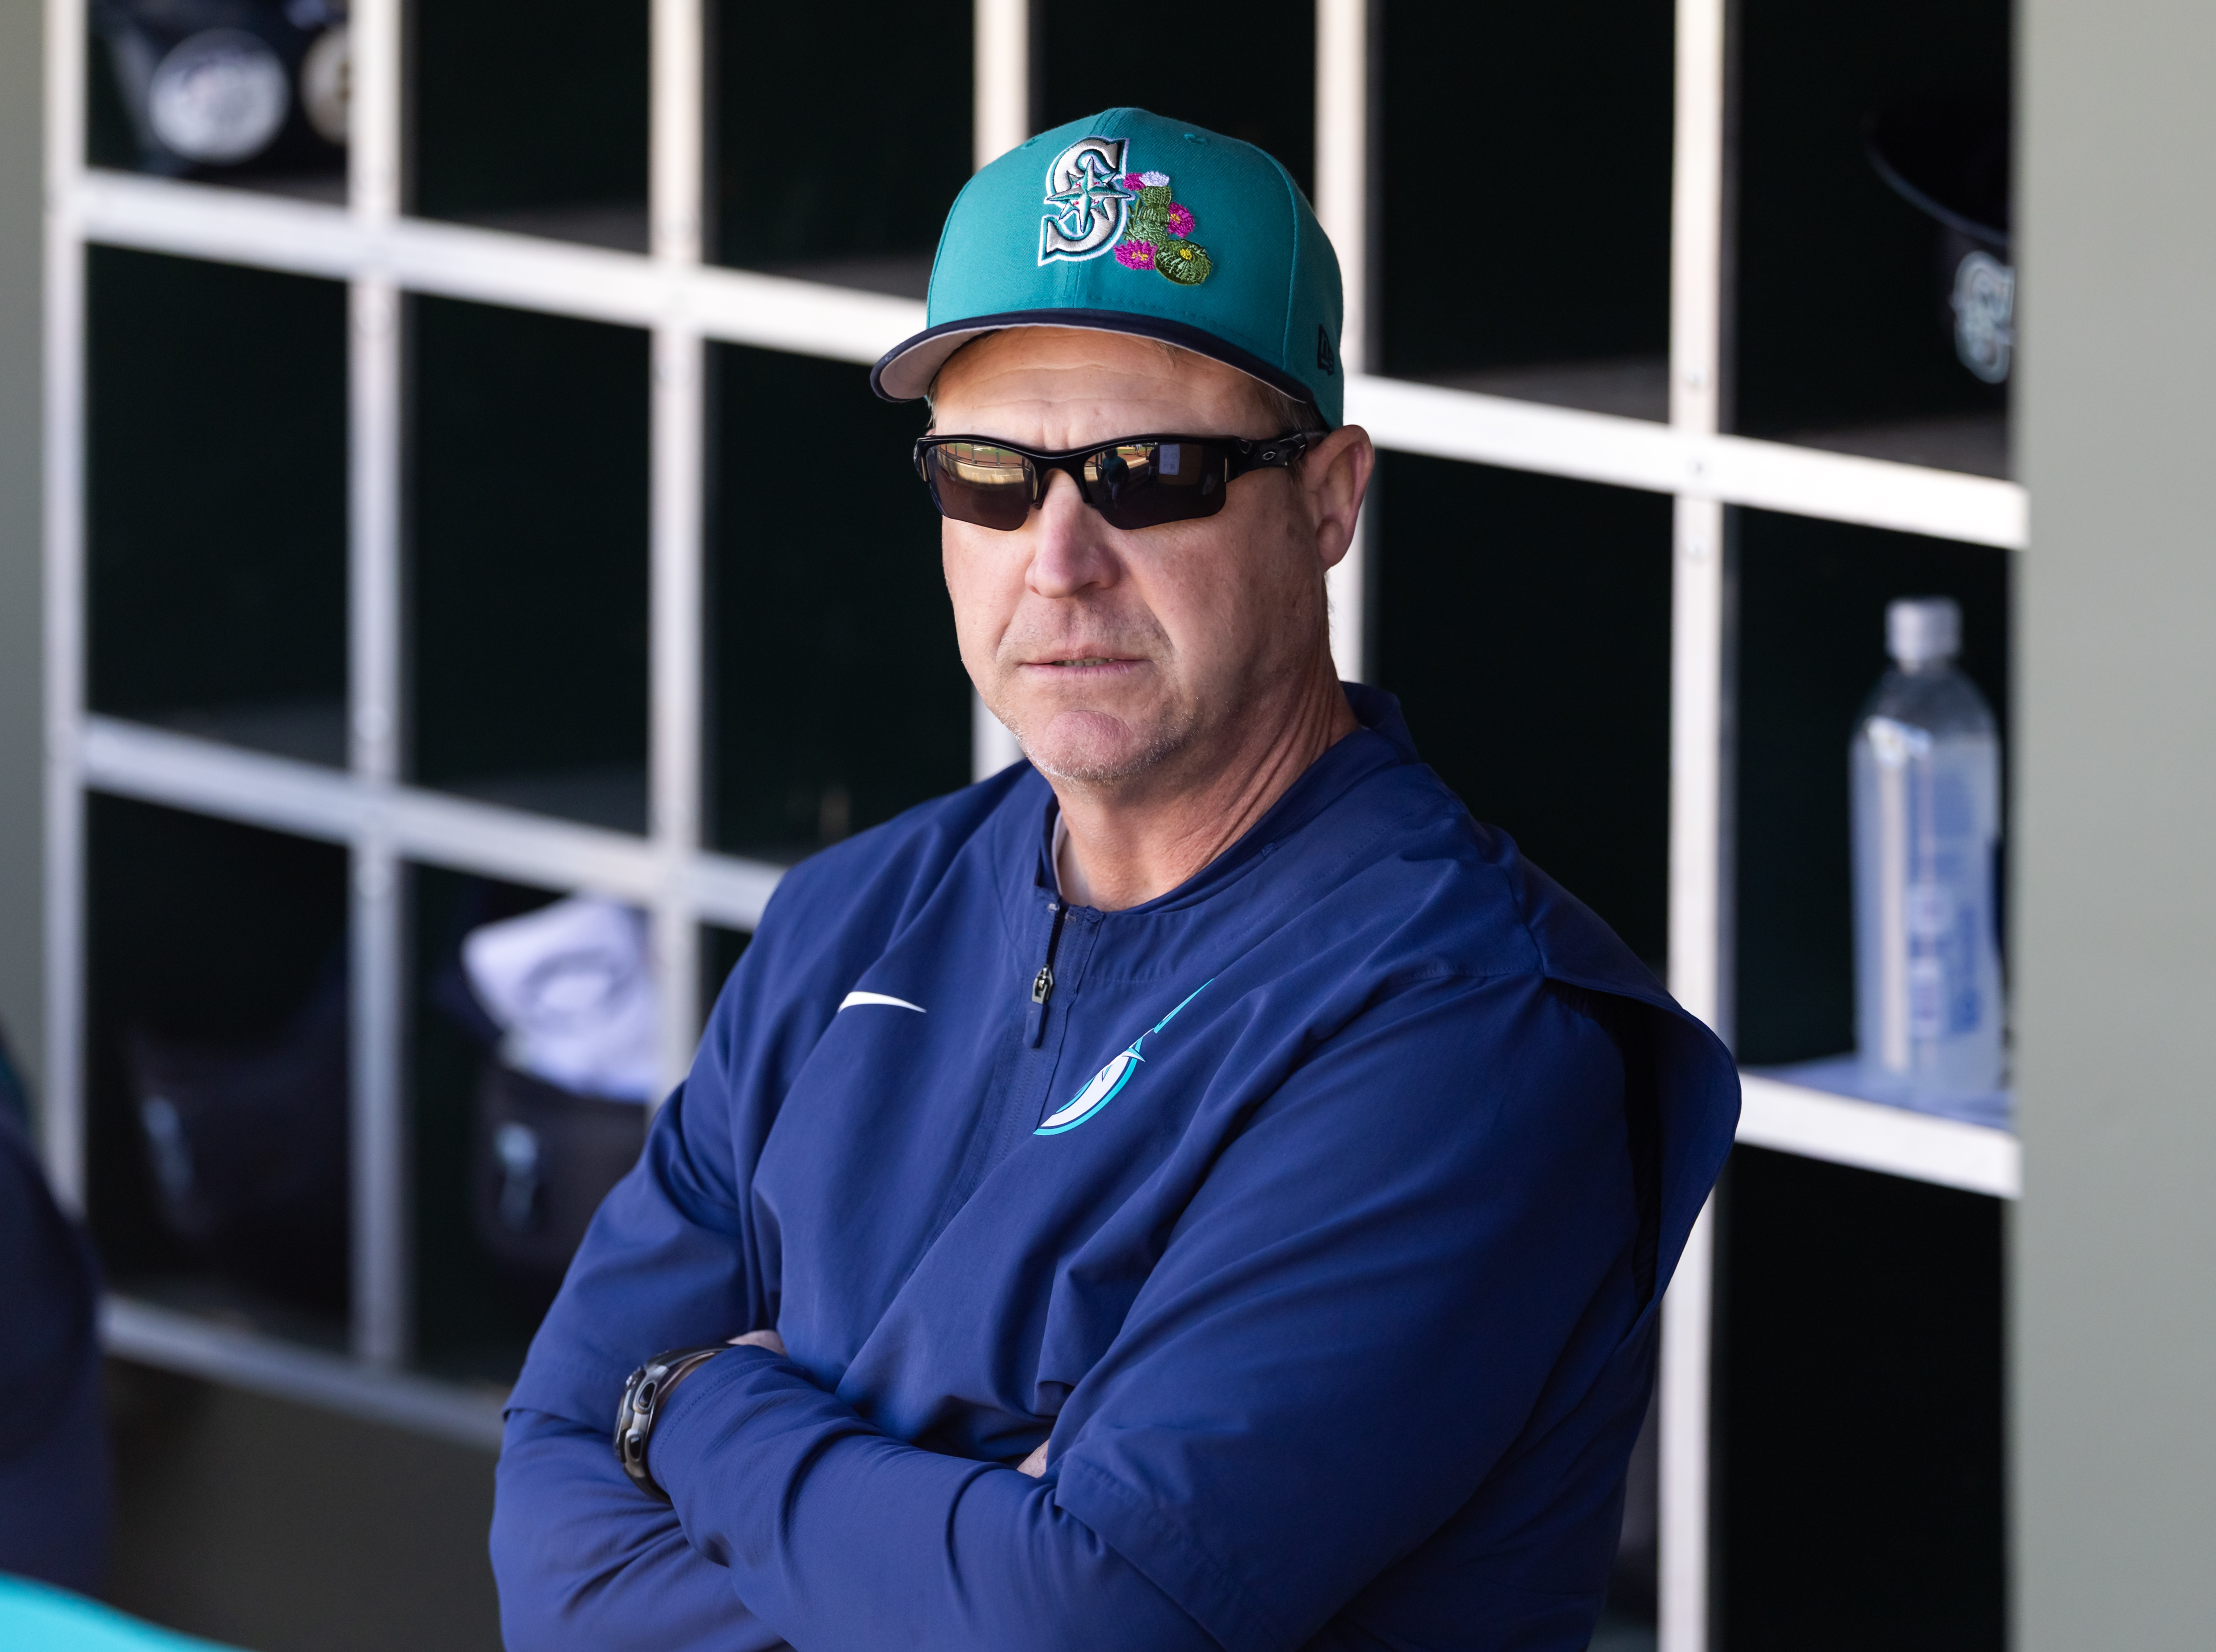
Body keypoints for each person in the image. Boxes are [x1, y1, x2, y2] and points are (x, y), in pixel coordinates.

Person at [490, 107, 1738, 1652]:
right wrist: (954, 1542)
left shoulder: (1463, 1028)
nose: (1060, 558)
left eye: (1150, 472)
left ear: (1330, 499)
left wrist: (700, 1407)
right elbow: (556, 1545)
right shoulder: (855, 917)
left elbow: (1081, 1622)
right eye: (991, 475)